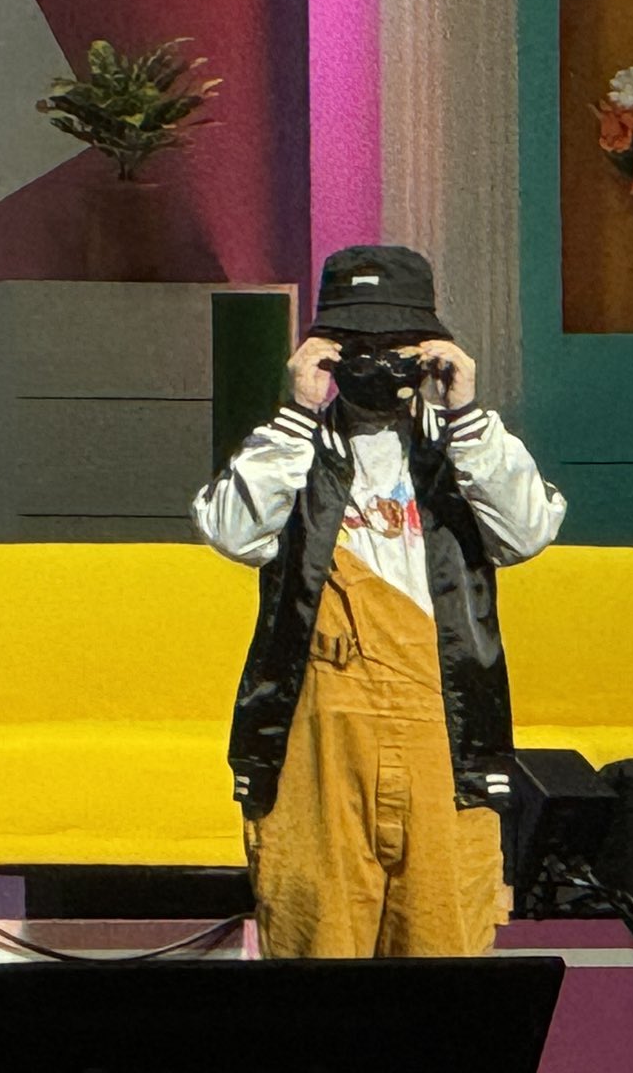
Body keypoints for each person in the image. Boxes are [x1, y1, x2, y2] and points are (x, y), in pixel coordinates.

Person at [193, 244, 565, 959]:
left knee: (442, 950)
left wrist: (465, 412)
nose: (377, 362)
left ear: (430, 346)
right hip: (316, 737)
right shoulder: (292, 445)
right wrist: (298, 412)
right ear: (325, 347)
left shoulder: (464, 446)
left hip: (444, 726)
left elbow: (527, 534)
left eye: (396, 344)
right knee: (317, 950)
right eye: (357, 344)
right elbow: (232, 533)